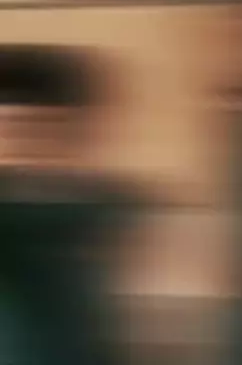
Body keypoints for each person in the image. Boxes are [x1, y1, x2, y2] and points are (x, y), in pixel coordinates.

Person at [0, 45, 142, 365]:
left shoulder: (105, 204)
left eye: (37, 127)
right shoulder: (104, 205)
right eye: (11, 127)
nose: (22, 141)